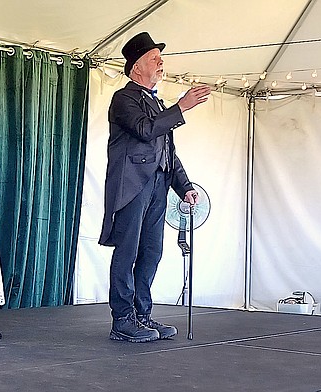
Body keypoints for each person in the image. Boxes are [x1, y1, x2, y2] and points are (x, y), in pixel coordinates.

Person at [99, 32, 211, 342]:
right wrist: (181, 107)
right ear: (136, 68)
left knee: (151, 252)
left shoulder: (156, 102)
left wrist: (184, 186)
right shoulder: (124, 99)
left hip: (158, 187)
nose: (160, 63)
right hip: (132, 187)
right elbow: (146, 130)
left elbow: (167, 152)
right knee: (128, 251)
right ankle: (122, 319)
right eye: (153, 59)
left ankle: (142, 316)